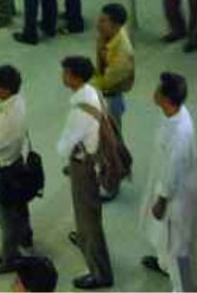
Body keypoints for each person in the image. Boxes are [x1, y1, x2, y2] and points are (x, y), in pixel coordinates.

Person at [57, 56, 114, 290]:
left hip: (85, 167)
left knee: (88, 218)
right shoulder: (92, 92)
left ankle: (100, 273)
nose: (62, 76)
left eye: (65, 73)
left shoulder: (79, 111)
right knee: (85, 213)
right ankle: (83, 239)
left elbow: (63, 146)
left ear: (74, 77)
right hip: (90, 161)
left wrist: (63, 149)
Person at [140, 72, 197, 293]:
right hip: (163, 186)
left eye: (158, 89)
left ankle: (183, 288)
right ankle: (163, 263)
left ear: (166, 99)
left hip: (174, 198)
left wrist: (162, 200)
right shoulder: (173, 114)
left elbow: (173, 171)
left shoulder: (180, 132)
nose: (154, 91)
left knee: (177, 246)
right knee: (164, 240)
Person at [0, 64, 33, 275]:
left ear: (4, 90)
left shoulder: (8, 117)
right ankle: (25, 237)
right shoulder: (14, 102)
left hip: (3, 170)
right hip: (16, 163)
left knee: (5, 216)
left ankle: (9, 258)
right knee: (19, 207)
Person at [91, 3, 135, 135]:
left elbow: (106, 82)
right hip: (105, 93)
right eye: (99, 19)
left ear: (116, 25)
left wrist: (84, 83)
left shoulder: (123, 53)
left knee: (112, 139)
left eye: (103, 21)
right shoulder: (107, 35)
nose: (98, 24)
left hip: (110, 98)